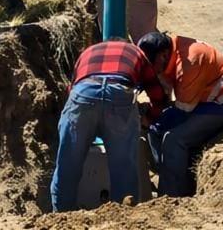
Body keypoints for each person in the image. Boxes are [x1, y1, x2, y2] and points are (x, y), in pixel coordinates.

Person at [50, 37, 167, 212]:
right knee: (124, 170)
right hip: (119, 96)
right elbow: (157, 93)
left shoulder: (87, 52)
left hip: (83, 94)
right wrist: (149, 117)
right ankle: (123, 218)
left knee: (67, 167)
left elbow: (72, 88)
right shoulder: (136, 52)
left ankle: (59, 217)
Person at [139, 31, 223, 197]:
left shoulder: (190, 62)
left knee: (173, 140)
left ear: (162, 56)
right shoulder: (170, 50)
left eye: (151, 65)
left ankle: (173, 195)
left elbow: (184, 110)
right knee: (155, 129)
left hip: (222, 102)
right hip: (199, 99)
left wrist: (151, 118)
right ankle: (167, 175)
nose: (151, 71)